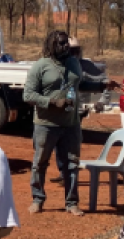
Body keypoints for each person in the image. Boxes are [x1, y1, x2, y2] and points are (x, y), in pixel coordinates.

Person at [22, 29, 84, 216]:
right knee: (40, 163)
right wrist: (52, 102)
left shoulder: (74, 63)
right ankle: (37, 199)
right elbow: (28, 95)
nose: (66, 46)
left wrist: (101, 86)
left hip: (71, 123)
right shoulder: (40, 66)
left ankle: (71, 202)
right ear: (51, 45)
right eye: (62, 43)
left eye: (67, 43)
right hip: (45, 124)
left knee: (72, 164)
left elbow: (79, 85)